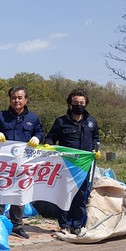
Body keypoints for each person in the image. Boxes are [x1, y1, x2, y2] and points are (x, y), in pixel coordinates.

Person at [0, 86, 44, 239]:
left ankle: (17, 226)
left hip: (23, 164)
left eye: (19, 97)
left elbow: (40, 132)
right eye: (13, 98)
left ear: (25, 99)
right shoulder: (0, 116)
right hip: (2, 164)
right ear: (9, 99)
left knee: (19, 195)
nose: (16, 100)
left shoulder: (33, 118)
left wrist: (37, 137)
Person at [44, 89, 100, 235]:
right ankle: (65, 225)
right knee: (65, 194)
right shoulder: (61, 121)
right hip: (65, 165)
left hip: (83, 165)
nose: (79, 105)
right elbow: (50, 138)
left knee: (81, 195)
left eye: (81, 103)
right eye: (75, 103)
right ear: (70, 104)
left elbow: (95, 138)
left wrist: (95, 149)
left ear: (86, 104)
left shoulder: (92, 122)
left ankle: (78, 225)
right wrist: (49, 146)